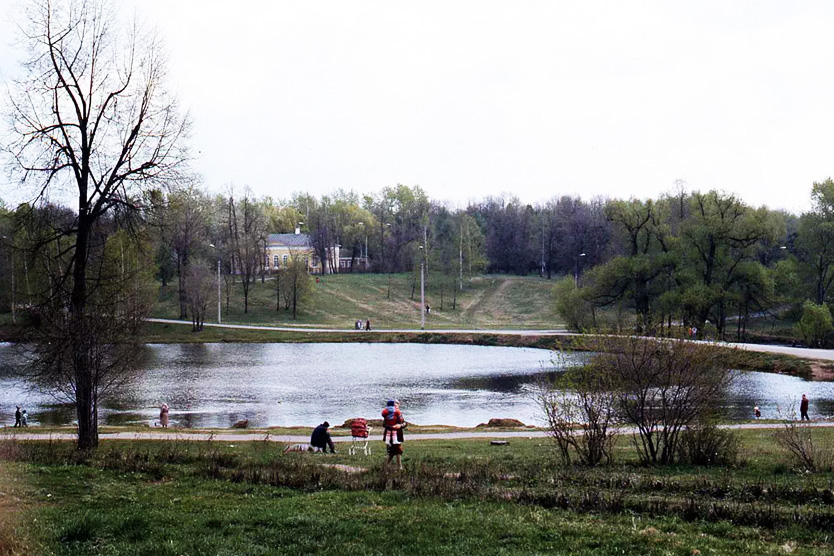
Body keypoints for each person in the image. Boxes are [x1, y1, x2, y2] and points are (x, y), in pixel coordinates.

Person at [382, 399, 406, 470]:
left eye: (397, 404)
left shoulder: (399, 414)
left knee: (394, 451)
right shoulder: (388, 414)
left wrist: (401, 426)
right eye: (394, 404)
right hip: (389, 435)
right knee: (396, 450)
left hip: (398, 434)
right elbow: (384, 425)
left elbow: (404, 423)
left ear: (399, 404)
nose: (396, 405)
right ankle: (398, 466)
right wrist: (392, 427)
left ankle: (387, 466)